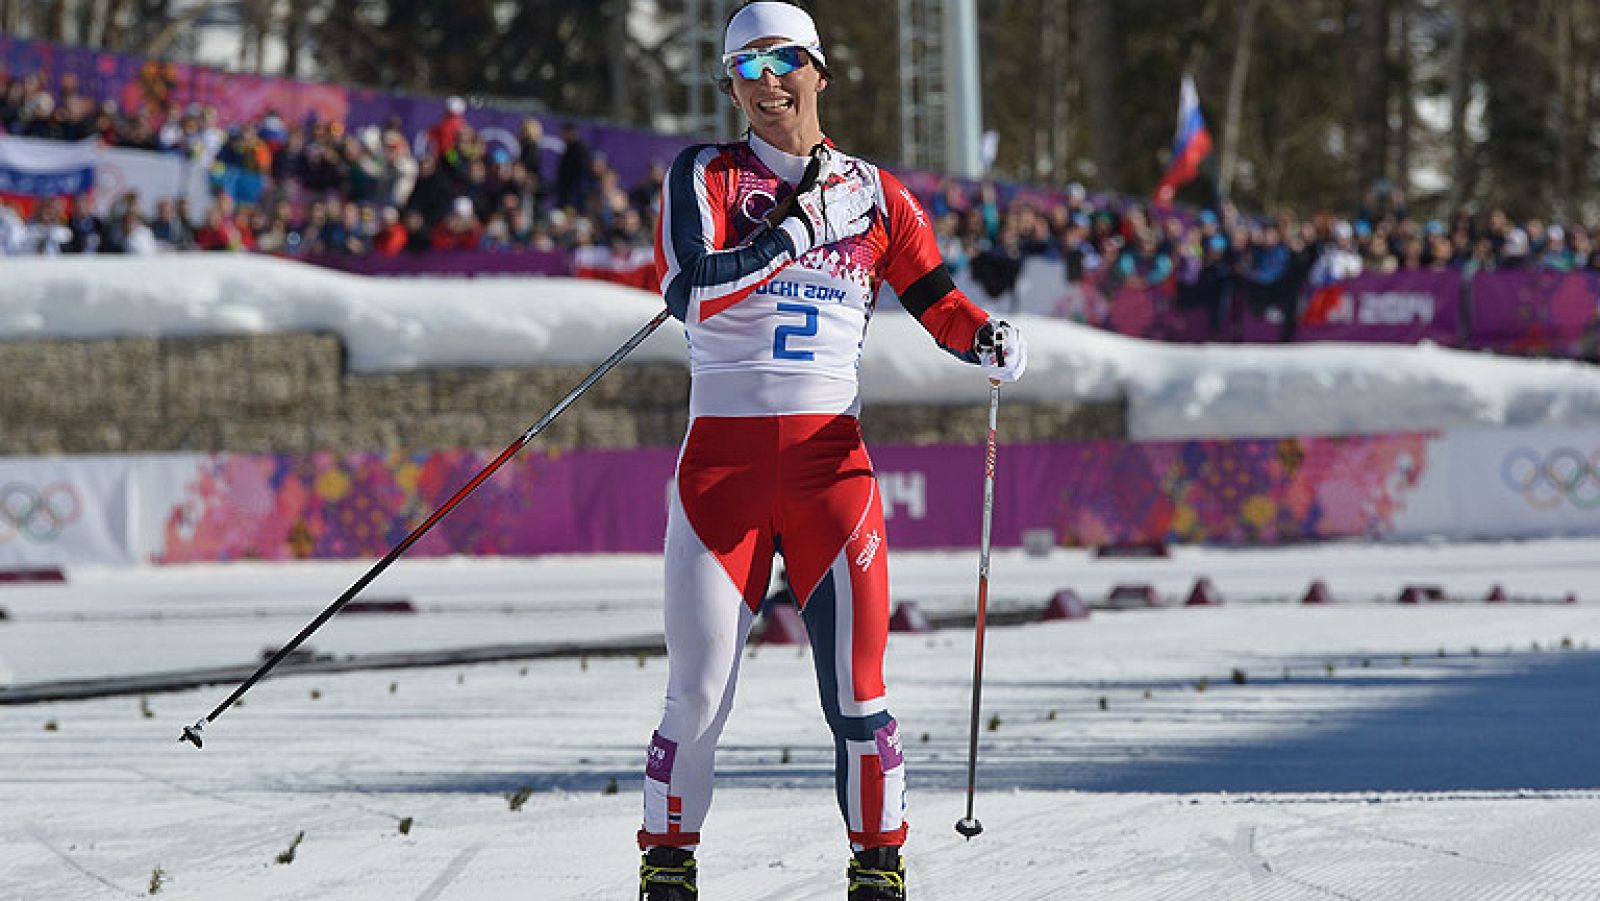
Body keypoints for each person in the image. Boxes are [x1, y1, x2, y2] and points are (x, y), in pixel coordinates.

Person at [635, 3, 1026, 900]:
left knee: (857, 692)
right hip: (720, 475)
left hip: (829, 469)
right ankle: (667, 862)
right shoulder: (706, 174)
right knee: (696, 695)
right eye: (744, 67)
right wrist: (800, 233)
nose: (764, 83)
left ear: (817, 69)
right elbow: (694, 293)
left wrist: (989, 341)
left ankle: (878, 864)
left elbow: (942, 304)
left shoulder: (881, 196)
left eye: (781, 61)